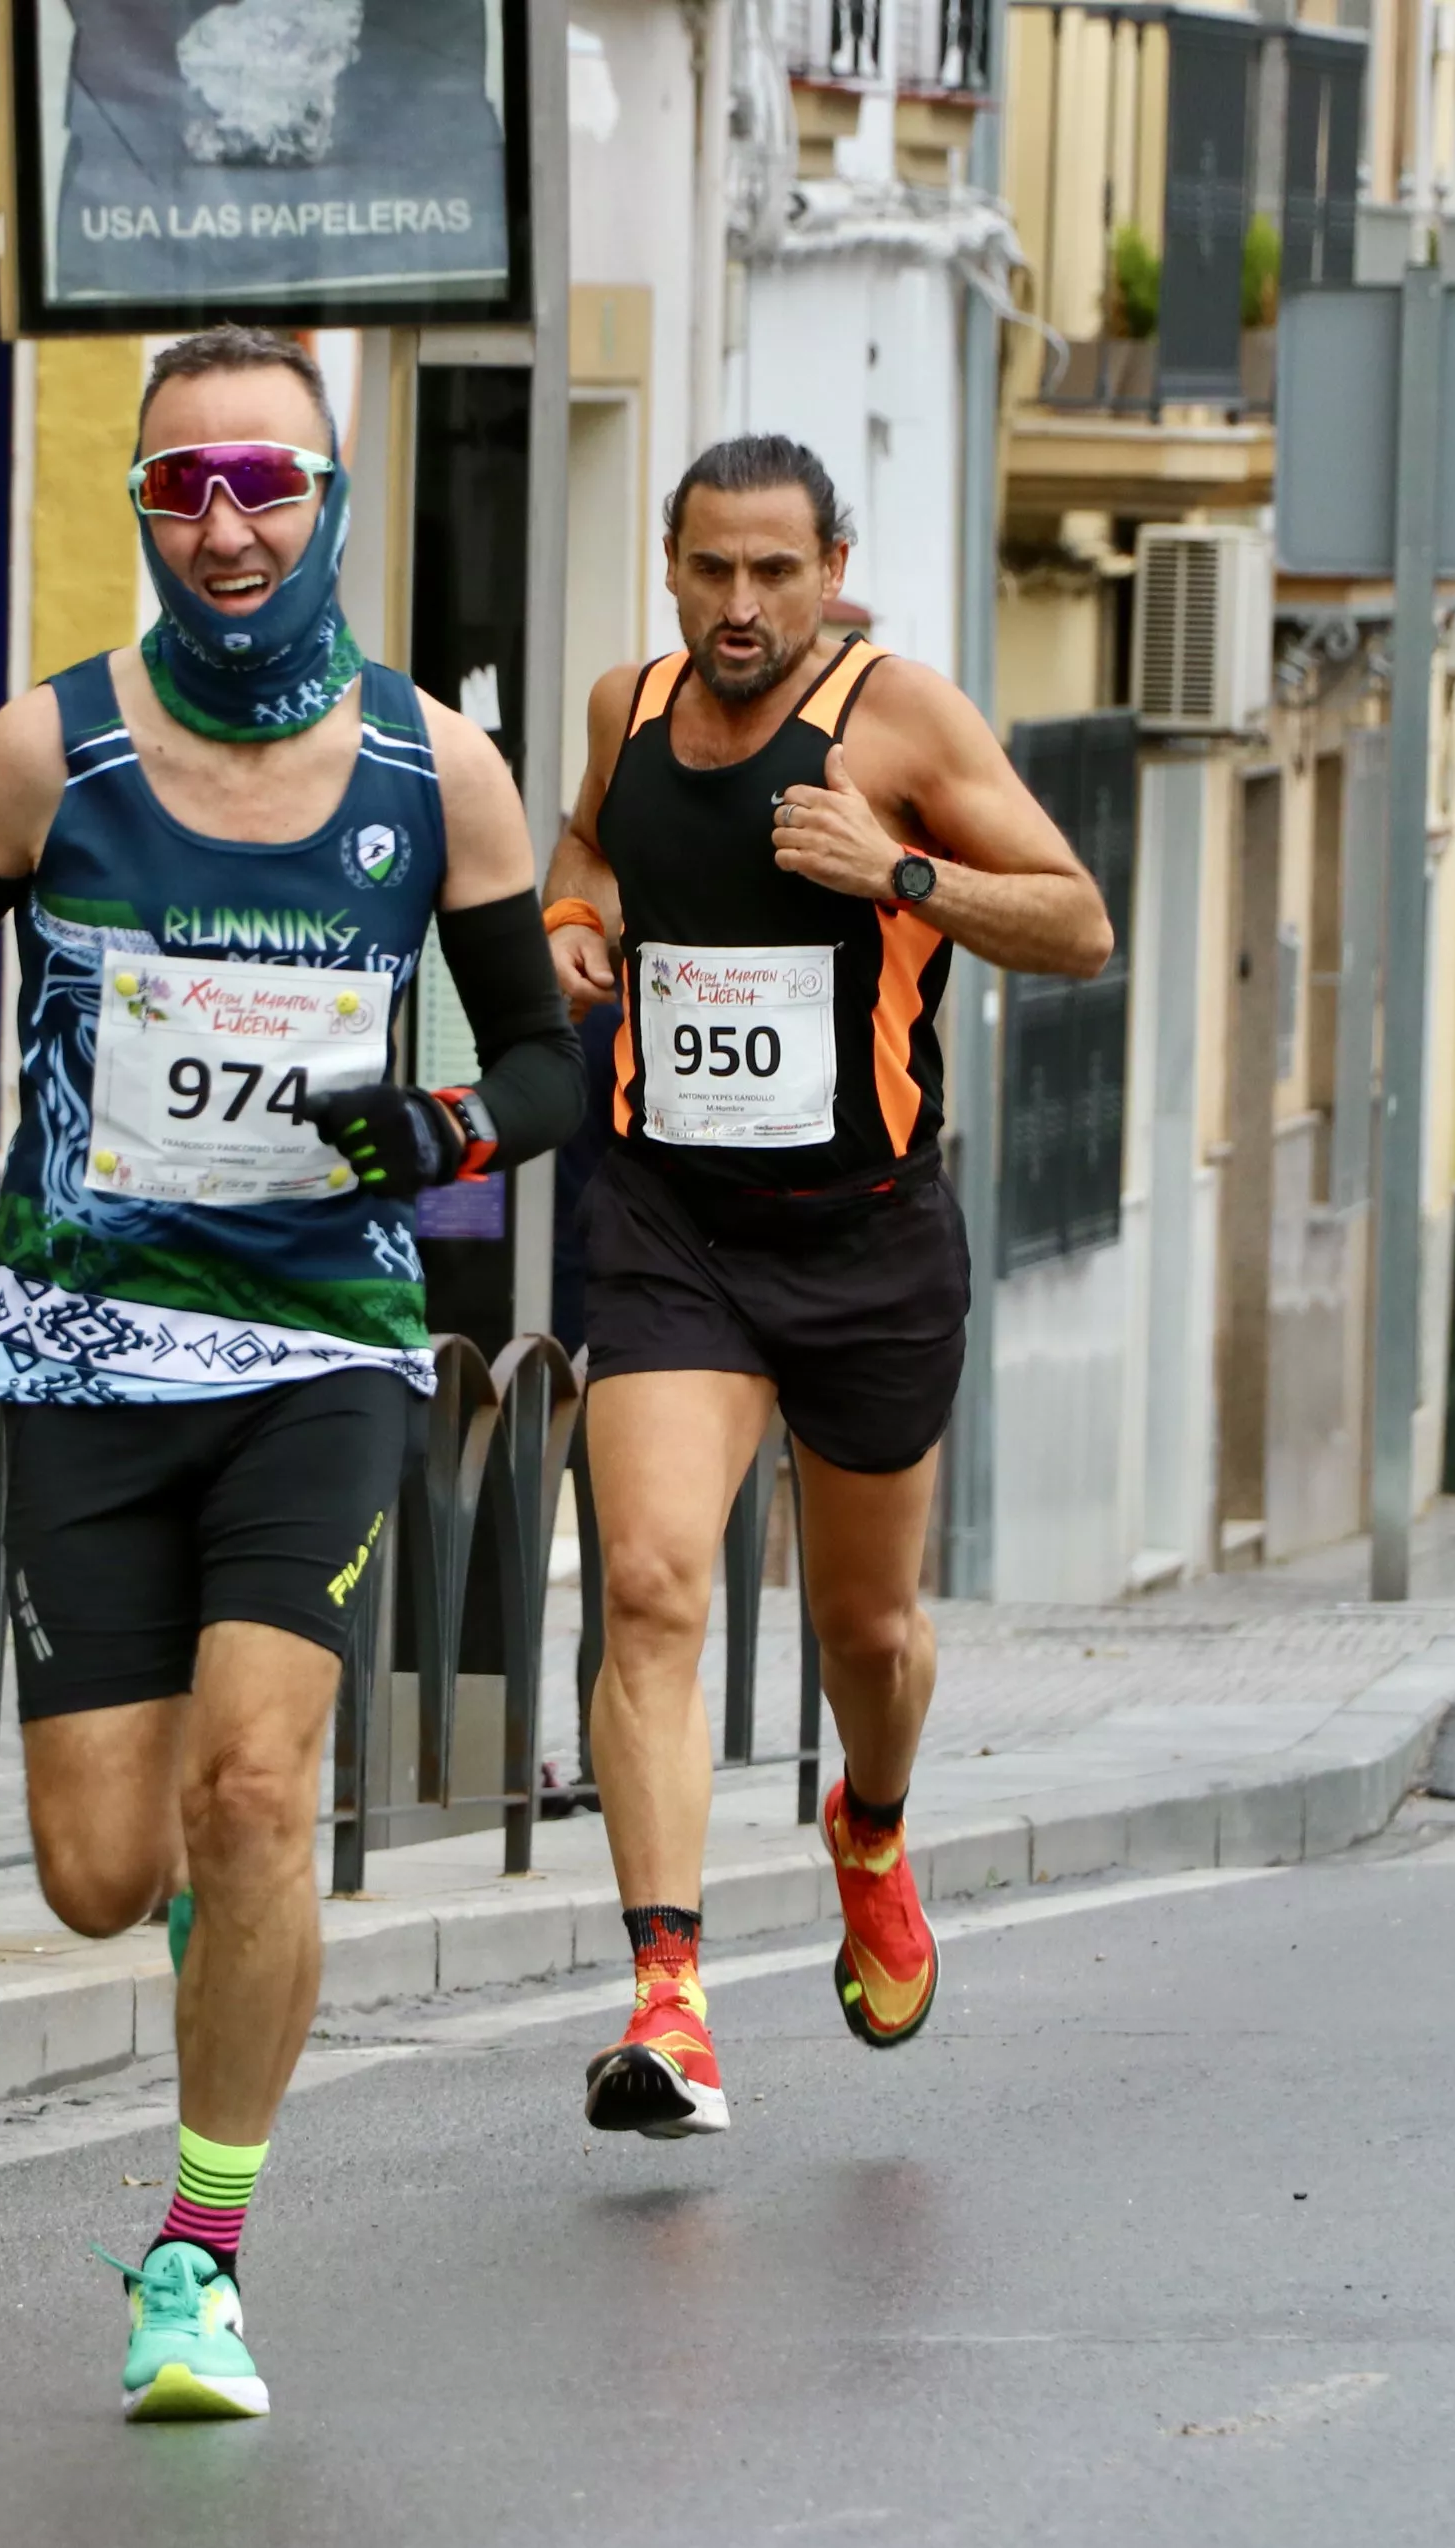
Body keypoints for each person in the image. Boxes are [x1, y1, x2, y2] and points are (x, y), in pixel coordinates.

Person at [0, 327, 580, 2419]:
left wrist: (437, 1133)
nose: (228, 524)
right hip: (80, 1355)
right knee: (97, 1869)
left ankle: (201, 2251)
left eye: (266, 481)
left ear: (329, 500)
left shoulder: (439, 770)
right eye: (183, 488)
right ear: (140, 509)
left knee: (259, 1787)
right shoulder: (43, 753)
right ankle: (203, 1934)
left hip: (318, 1346)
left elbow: (545, 1062)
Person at [542, 433, 1109, 2136]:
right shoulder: (619, 711)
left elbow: (1077, 924)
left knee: (863, 1627)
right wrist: (576, 925)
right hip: (670, 1224)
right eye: (708, 568)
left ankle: (866, 1819)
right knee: (646, 1582)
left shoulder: (904, 722)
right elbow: (585, 851)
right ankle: (669, 2002)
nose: (737, 604)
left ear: (828, 566)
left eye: (771, 572)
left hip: (863, 1238)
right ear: (667, 564)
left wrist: (897, 874)